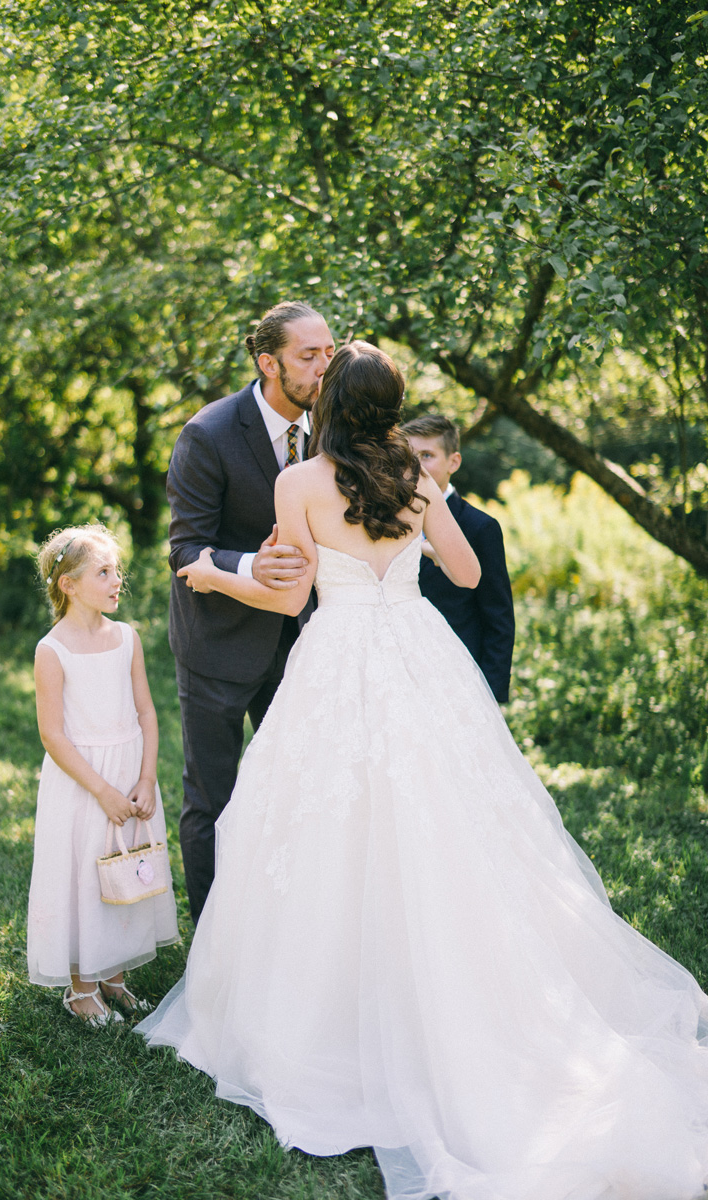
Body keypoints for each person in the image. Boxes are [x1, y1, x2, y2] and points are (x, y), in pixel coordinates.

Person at [138, 344, 708, 1200]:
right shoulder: (416, 474)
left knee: (324, 826)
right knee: (452, 820)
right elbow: (470, 572)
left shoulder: (300, 484)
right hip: (416, 652)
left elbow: (292, 599)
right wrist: (421, 528)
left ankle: (318, 1020)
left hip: (336, 659)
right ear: (395, 404)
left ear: (331, 400)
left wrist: (221, 571)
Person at [167, 301, 335, 922]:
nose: (325, 366)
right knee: (214, 797)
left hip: (307, 646)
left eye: (329, 351)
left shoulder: (335, 428)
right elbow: (185, 548)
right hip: (218, 644)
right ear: (269, 363)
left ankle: (276, 930)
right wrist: (247, 566)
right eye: (308, 356)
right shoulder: (207, 434)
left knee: (295, 793)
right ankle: (212, 941)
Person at [28, 524, 179, 1025]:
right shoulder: (52, 651)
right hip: (84, 784)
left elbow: (147, 714)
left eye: (117, 571)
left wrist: (146, 777)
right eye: (103, 573)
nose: (117, 581)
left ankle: (112, 975)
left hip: (129, 773)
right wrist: (104, 791)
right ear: (67, 584)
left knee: (124, 871)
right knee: (84, 876)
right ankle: (82, 988)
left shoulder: (126, 638)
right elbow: (53, 736)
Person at [403, 414, 515, 703]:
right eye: (408, 455)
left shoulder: (480, 528)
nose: (415, 465)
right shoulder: (386, 521)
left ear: (454, 462)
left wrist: (490, 693)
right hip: (401, 674)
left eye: (426, 455)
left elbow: (498, 617)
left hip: (461, 676)